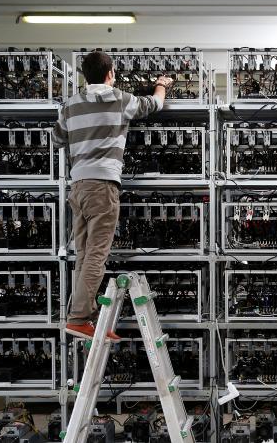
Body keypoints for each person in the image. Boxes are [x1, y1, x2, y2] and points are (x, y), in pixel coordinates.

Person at [51, 51, 173, 341]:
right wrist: (162, 84)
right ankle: (79, 318)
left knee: (83, 253)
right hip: (103, 185)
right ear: (111, 74)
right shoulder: (119, 99)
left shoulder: (70, 105)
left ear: (84, 76)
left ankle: (83, 316)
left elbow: (57, 139)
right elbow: (154, 104)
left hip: (78, 186)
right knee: (96, 254)